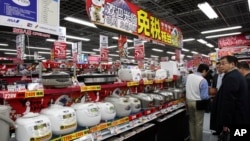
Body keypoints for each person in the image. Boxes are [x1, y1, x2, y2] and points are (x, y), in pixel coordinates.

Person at [212, 56, 249, 134]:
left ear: (232, 64)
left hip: (235, 118)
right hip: (240, 116)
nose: (221, 66)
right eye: (220, 64)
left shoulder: (231, 77)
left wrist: (226, 123)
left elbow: (229, 102)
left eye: (223, 63)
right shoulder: (237, 75)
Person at [185, 64, 210, 141]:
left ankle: (192, 138)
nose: (206, 74)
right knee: (199, 123)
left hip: (189, 101)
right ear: (204, 71)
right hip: (198, 103)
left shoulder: (188, 76)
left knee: (191, 121)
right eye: (207, 72)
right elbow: (204, 96)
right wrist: (210, 97)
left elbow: (184, 85)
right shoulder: (203, 80)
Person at [210, 62, 224, 134]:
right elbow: (213, 86)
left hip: (223, 97)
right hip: (215, 96)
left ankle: (222, 130)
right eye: (217, 68)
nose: (218, 69)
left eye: (219, 67)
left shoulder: (226, 76)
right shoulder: (215, 76)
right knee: (215, 113)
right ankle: (217, 129)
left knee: (222, 114)